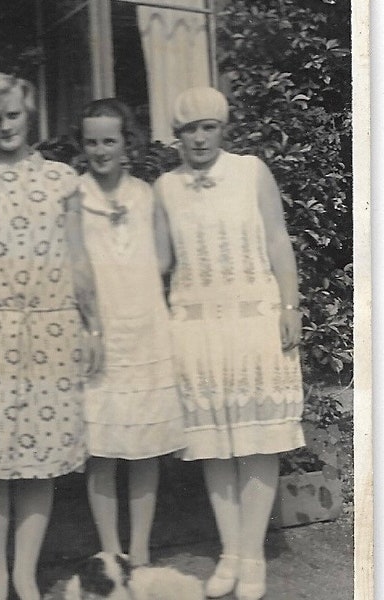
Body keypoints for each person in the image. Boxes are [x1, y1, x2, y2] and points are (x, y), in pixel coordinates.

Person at [0, 71, 103, 600]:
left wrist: (92, 325)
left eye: (13, 115)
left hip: (52, 329)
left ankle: (27, 575)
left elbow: (79, 258)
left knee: (39, 461)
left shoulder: (62, 180)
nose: (5, 126)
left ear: (29, 115)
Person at [154, 87, 305, 600]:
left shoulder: (251, 170)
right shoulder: (166, 187)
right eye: (188, 129)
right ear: (177, 136)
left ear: (222, 129)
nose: (198, 137)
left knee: (258, 439)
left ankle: (253, 556)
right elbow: (156, 263)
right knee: (214, 443)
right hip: (194, 326)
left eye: (207, 127)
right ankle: (230, 552)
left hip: (253, 317)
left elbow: (277, 240)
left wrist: (290, 306)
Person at [77, 98, 187, 567]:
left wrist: (133, 281)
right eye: (92, 141)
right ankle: (109, 548)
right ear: (83, 147)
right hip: (96, 331)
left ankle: (139, 549)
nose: (101, 150)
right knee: (101, 447)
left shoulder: (147, 194)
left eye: (110, 140)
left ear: (127, 144)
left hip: (144, 327)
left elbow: (164, 258)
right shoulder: (74, 194)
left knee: (143, 447)